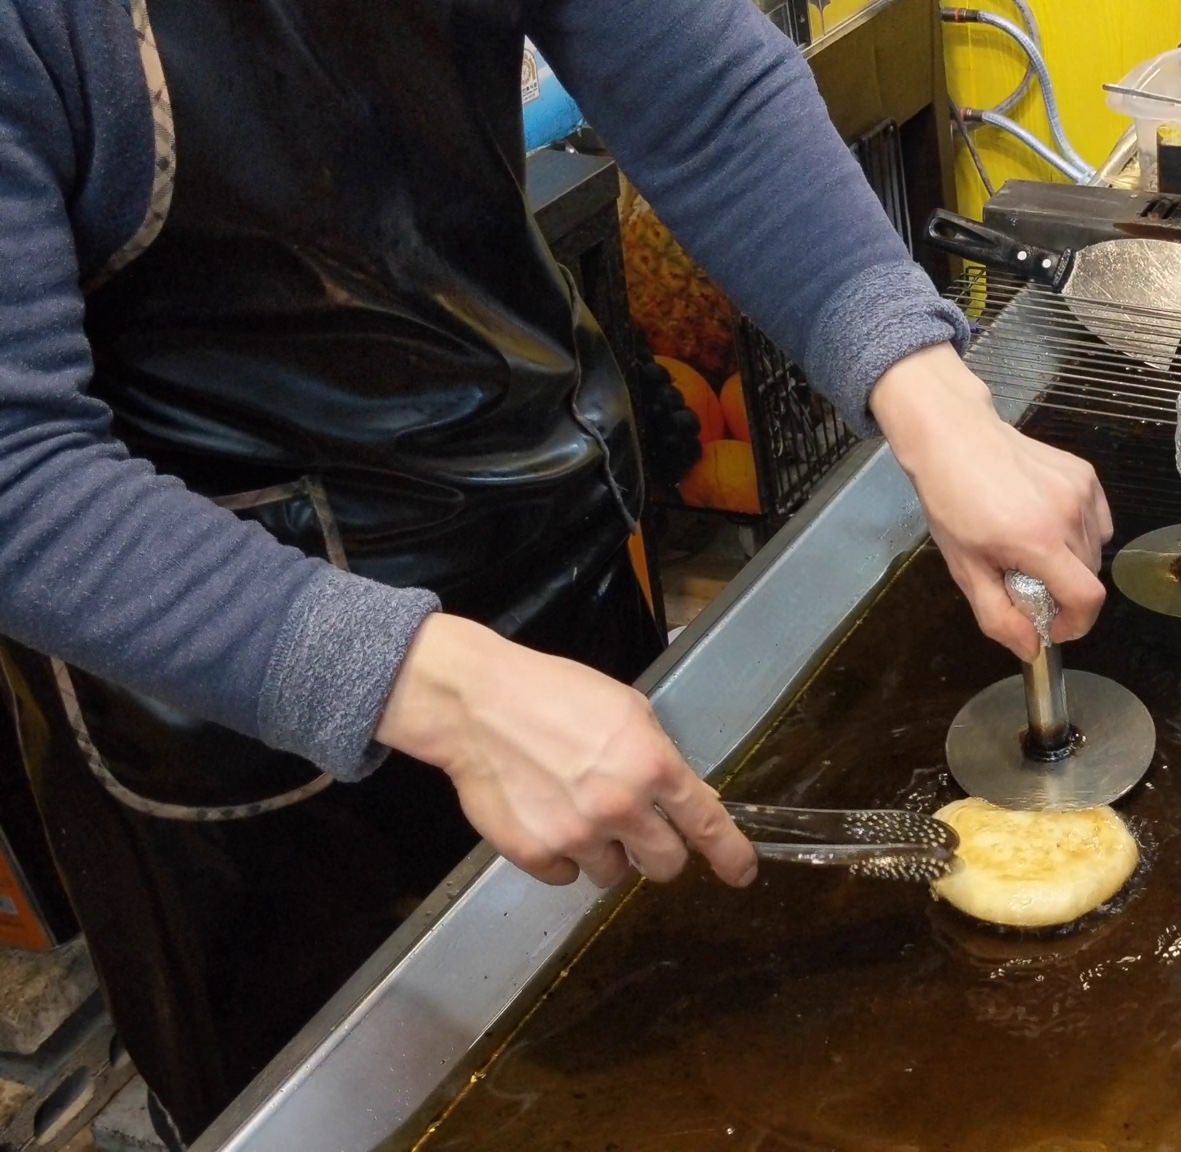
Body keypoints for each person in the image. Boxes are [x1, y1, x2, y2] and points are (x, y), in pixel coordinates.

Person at [0, 0, 1113, 1143]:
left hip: (535, 517)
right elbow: (16, 469)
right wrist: (434, 687)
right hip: (235, 688)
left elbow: (709, 100)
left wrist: (937, 406)